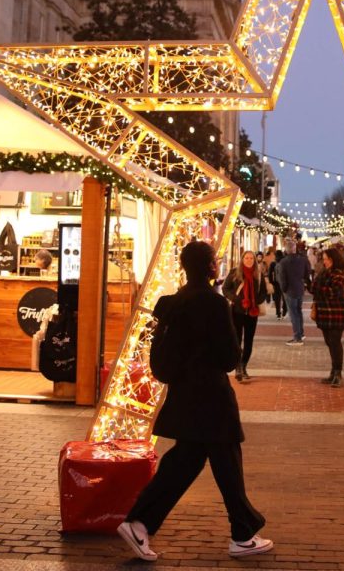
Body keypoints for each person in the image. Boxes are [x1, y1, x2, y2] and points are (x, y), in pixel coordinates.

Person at [118, 240, 273, 561]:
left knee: (191, 462)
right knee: (218, 461)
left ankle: (144, 522)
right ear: (211, 267)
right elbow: (230, 358)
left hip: (184, 397)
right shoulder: (215, 305)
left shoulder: (172, 304)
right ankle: (239, 534)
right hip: (212, 399)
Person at [222, 250, 268, 382]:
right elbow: (226, 289)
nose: (248, 260)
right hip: (237, 311)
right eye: (246, 258)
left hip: (252, 312)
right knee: (237, 339)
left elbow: (264, 292)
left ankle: (244, 365)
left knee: (249, 340)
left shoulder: (258, 275)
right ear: (242, 259)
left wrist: (257, 300)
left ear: (254, 260)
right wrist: (236, 299)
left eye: (251, 258)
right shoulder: (235, 273)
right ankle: (238, 367)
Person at [311, 247, 344, 387]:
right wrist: (318, 288)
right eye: (324, 259)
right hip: (325, 314)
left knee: (335, 343)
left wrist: (318, 288)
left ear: (334, 259)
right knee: (330, 343)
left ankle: (338, 373)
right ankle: (333, 372)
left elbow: (334, 292)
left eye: (328, 259)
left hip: (337, 314)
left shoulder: (339, 275)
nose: (325, 262)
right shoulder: (324, 273)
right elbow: (313, 288)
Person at [276, 240, 311, 345]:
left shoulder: (283, 262)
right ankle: (301, 333)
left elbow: (282, 278)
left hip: (290, 290)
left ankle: (297, 338)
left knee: (293, 314)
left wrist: (284, 289)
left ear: (286, 250)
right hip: (299, 289)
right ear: (295, 249)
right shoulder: (303, 260)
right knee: (299, 312)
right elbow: (307, 274)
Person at [264, 248, 284, 319]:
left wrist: (271, 282)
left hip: (276, 283)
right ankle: (284, 310)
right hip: (284, 283)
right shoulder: (284, 262)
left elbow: (269, 274)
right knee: (284, 298)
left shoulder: (273, 263)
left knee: (277, 299)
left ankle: (278, 312)